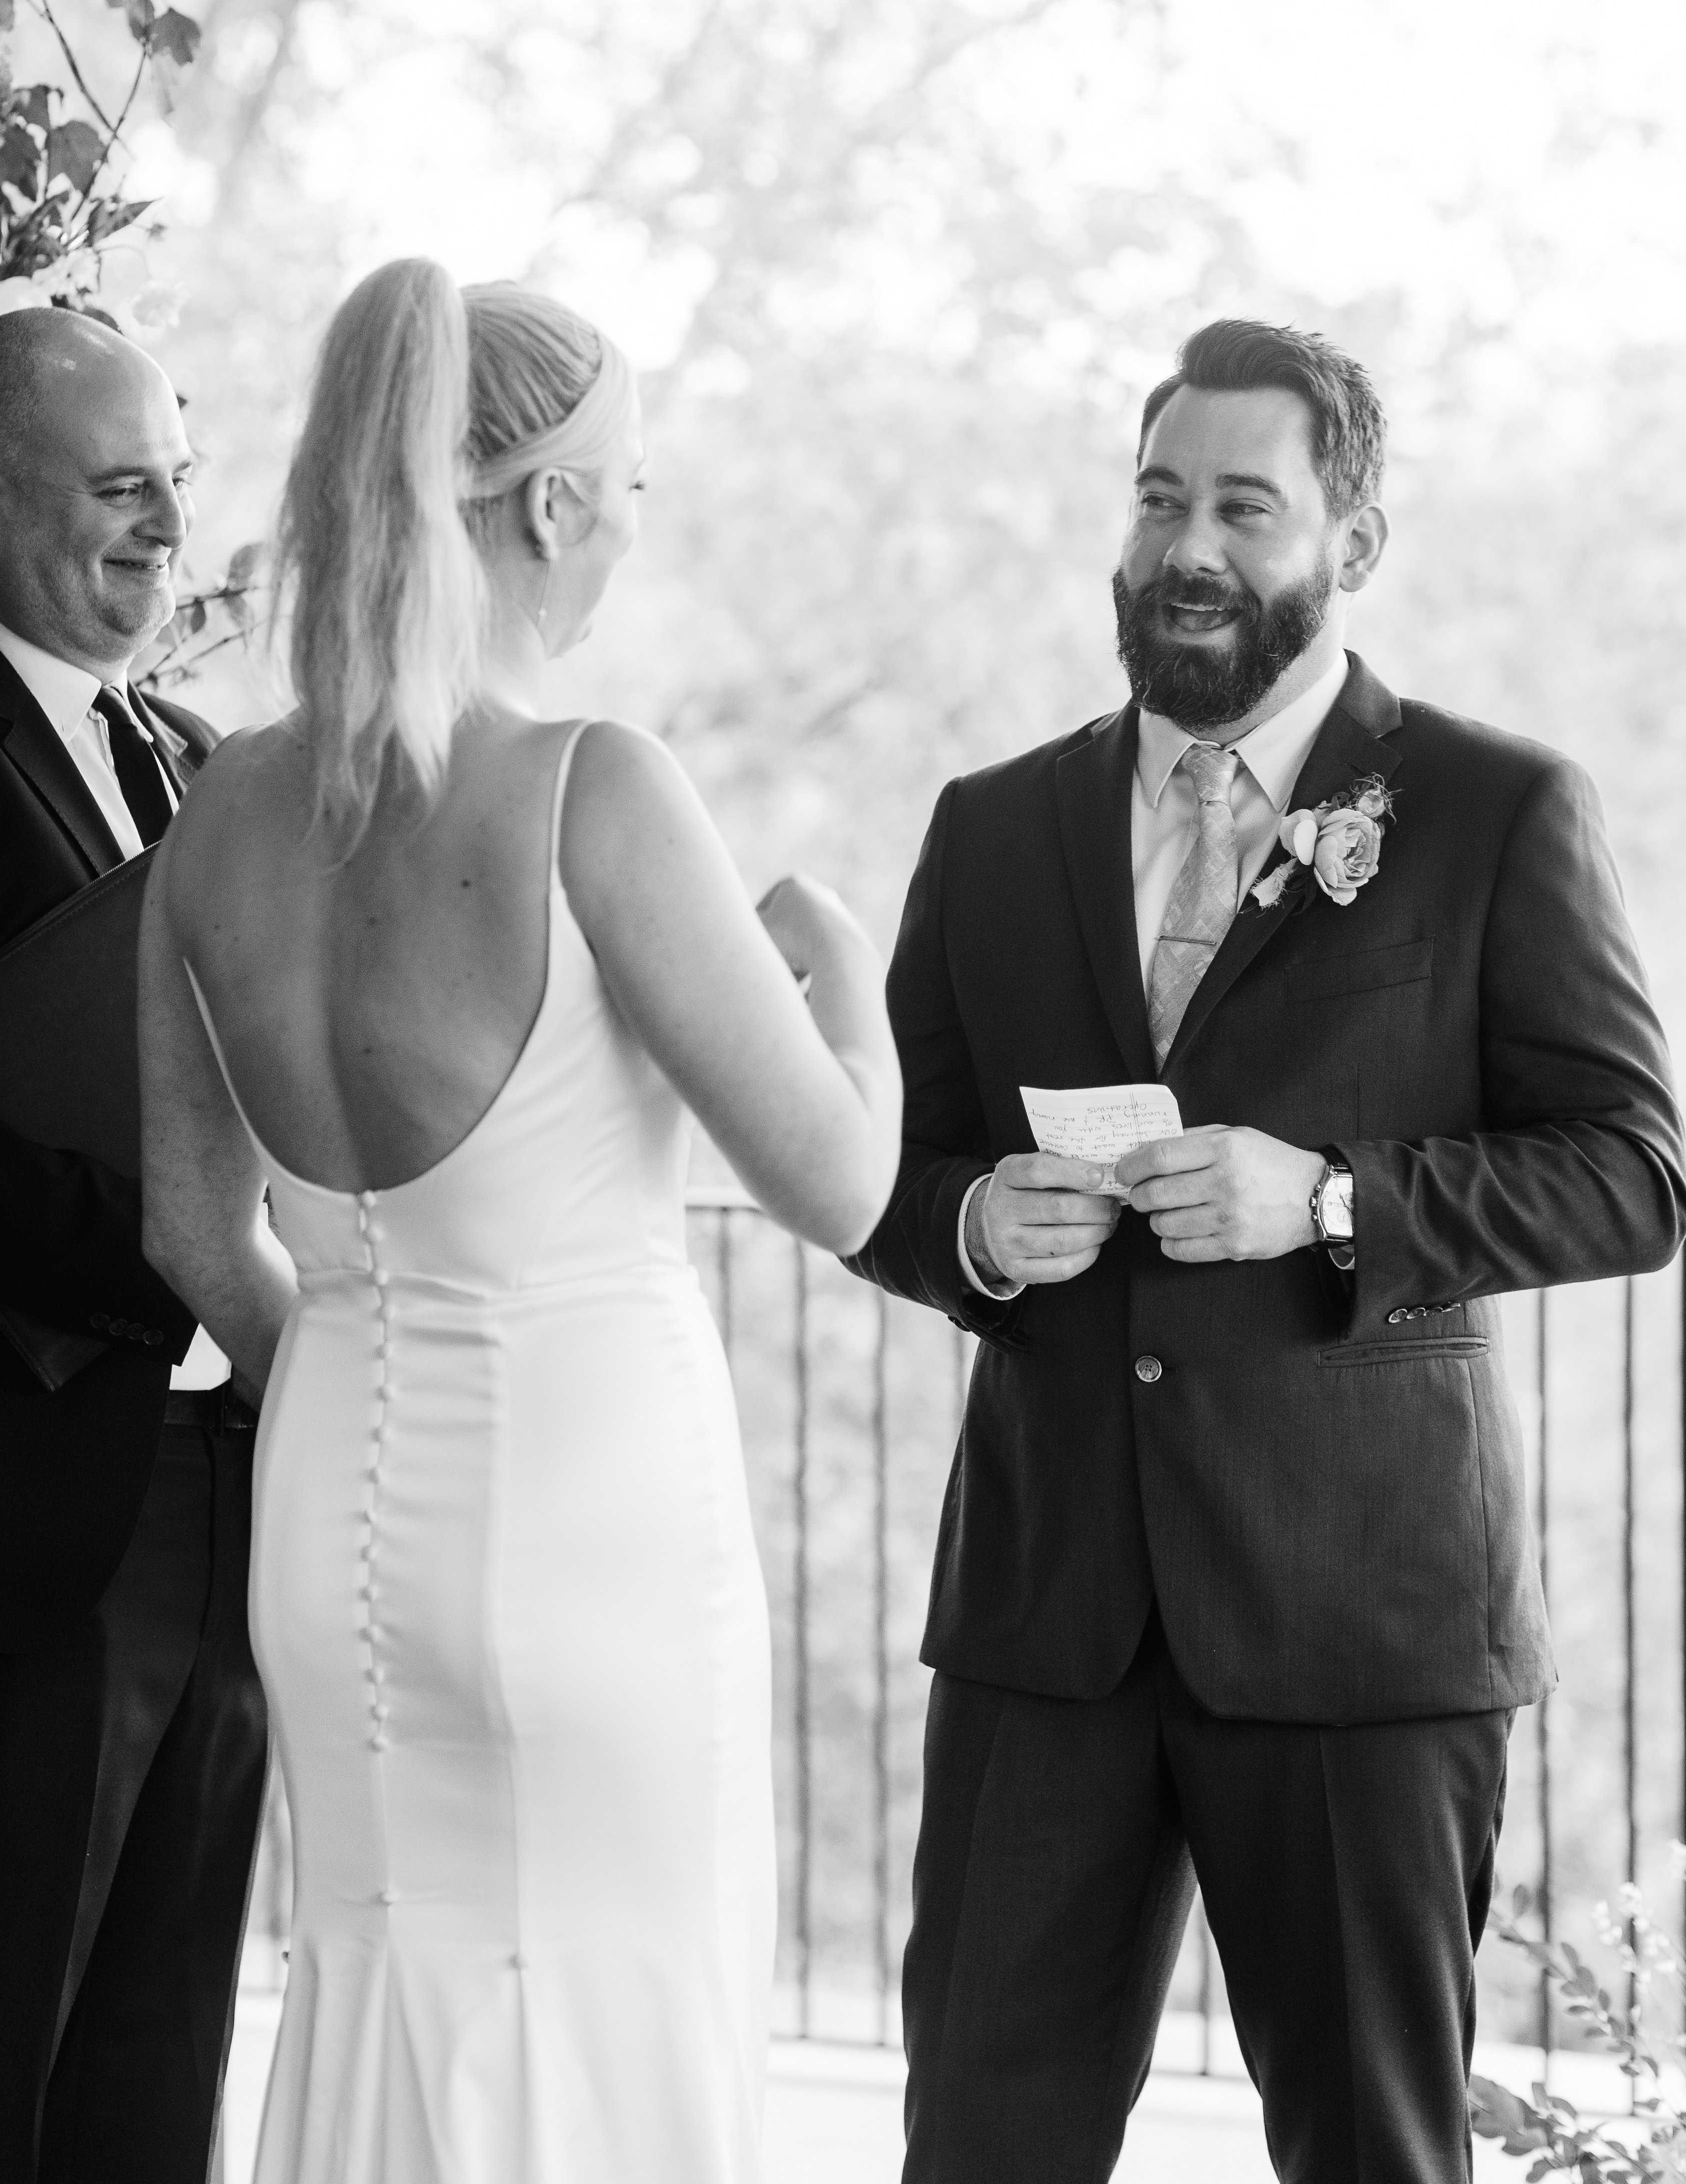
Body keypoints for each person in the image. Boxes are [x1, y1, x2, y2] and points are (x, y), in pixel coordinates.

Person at [846, 317, 1686, 2184]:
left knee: (1371, 2150)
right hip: (1048, 1618)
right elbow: (881, 1167)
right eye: (1158, 500)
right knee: (976, 2147)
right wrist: (970, 1222)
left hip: (1358, 1616)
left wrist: (1325, 1201)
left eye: (1243, 506)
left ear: (1349, 542)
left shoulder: (1494, 810)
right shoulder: (993, 829)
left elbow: (1630, 1174)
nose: (1186, 548)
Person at [138, 257, 902, 2183]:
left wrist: (360, 1362)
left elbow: (191, 1232)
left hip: (330, 1535)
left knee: (377, 2001)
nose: (633, 522)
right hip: (591, 1533)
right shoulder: (589, 788)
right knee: (615, 2024)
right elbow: (839, 1183)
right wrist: (842, 967)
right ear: (551, 504)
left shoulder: (219, 814)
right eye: (628, 482)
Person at [0, 307, 267, 2183]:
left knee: (166, 2043)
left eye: (178, 480)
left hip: (233, 1480)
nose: (168, 526)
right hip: (37, 1493)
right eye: (120, 488)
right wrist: (185, 1254)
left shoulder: (200, 758)